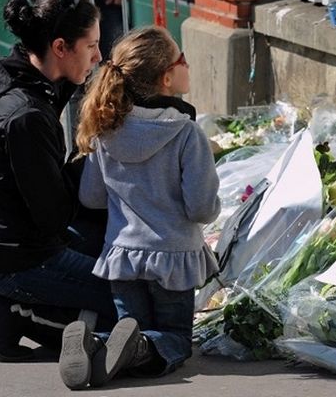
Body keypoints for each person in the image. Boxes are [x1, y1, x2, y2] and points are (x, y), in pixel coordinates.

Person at [58, 26, 221, 390]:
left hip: (122, 258)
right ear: (167, 76)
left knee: (128, 328)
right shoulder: (185, 133)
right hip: (172, 259)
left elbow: (92, 198)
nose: (188, 63)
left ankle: (98, 342)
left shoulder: (104, 128)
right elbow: (201, 208)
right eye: (183, 59)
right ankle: (139, 345)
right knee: (175, 339)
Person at [0, 0, 118, 362]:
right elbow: (54, 215)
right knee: (129, 299)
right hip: (21, 260)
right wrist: (89, 160)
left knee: (106, 240)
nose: (99, 57)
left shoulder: (27, 78)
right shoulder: (27, 117)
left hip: (22, 238)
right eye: (92, 46)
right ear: (60, 48)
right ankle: (19, 314)